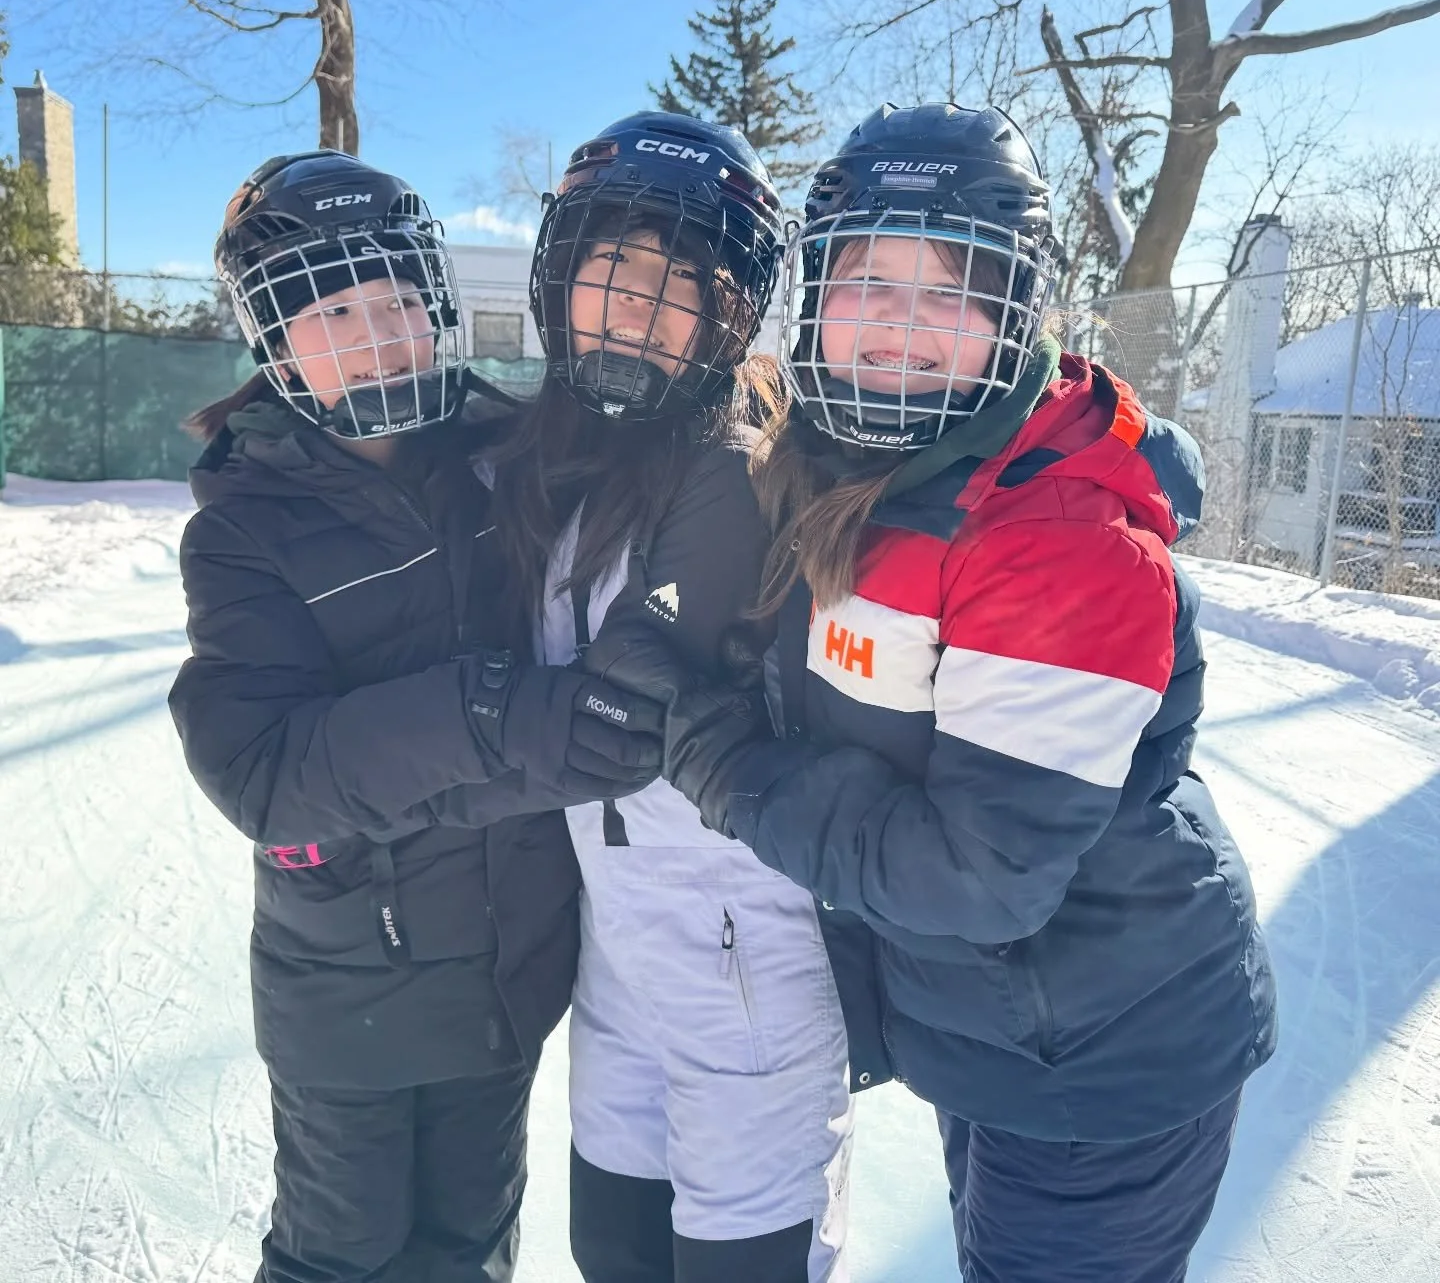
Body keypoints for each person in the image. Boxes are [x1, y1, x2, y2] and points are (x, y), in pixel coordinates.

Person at [584, 103, 1280, 1283]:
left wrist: (731, 768)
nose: (902, 325)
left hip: (1106, 1061)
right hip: (1003, 1040)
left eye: (954, 290)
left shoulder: (1059, 533)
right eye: (869, 283)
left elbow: (979, 871)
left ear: (1020, 316)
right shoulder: (874, 463)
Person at [168, 149, 664, 1283]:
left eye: (396, 299)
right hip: (352, 989)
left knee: (469, 1249)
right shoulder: (244, 524)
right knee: (340, 1254)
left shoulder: (509, 459)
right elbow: (270, 769)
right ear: (275, 338)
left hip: (506, 973)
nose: (377, 333)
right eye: (334, 309)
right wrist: (501, 718)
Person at [483, 111, 853, 1283]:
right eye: (617, 264)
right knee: (615, 1251)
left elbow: (620, 706)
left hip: (743, 969)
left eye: (675, 280)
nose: (637, 303)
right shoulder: (577, 453)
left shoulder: (734, 465)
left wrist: (445, 730)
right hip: (622, 959)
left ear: (728, 314)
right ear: (566, 277)